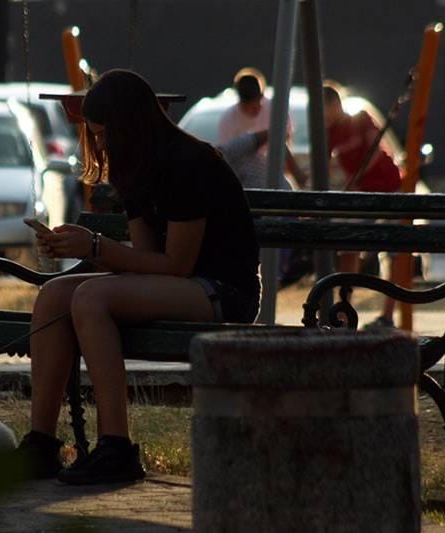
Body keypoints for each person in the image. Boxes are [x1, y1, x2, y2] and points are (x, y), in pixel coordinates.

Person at [15, 69, 261, 485]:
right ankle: (41, 444)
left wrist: (96, 248)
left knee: (90, 298)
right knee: (55, 295)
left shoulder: (188, 163)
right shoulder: (134, 168)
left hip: (222, 290)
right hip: (182, 284)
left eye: (104, 134)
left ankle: (116, 447)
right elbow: (145, 258)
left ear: (129, 125)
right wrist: (80, 248)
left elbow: (177, 264)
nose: (101, 145)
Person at [322, 81, 403, 329]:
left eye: (324, 109)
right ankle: (344, 309)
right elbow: (325, 164)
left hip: (389, 188)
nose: (322, 116)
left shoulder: (361, 119)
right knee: (349, 246)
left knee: (395, 250)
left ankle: (387, 315)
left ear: (335, 105)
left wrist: (358, 176)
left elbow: (376, 150)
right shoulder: (329, 132)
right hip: (360, 194)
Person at [217, 68, 304, 189]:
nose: (251, 111)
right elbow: (228, 155)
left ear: (261, 97)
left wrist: (296, 173)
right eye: (246, 107)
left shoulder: (274, 110)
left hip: (273, 170)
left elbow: (283, 142)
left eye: (255, 107)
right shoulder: (228, 119)